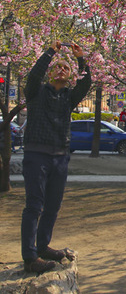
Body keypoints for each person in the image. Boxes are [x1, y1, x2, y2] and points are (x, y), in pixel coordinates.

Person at [21, 42, 91, 274]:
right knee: (34, 205)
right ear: (50, 72)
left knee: (53, 206)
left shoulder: (69, 98)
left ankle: (43, 247)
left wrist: (80, 59)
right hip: (36, 155)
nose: (61, 70)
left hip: (60, 157)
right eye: (57, 67)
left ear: (70, 76)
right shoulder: (35, 91)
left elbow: (87, 83)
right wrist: (50, 52)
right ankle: (30, 257)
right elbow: (34, 75)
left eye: (66, 68)